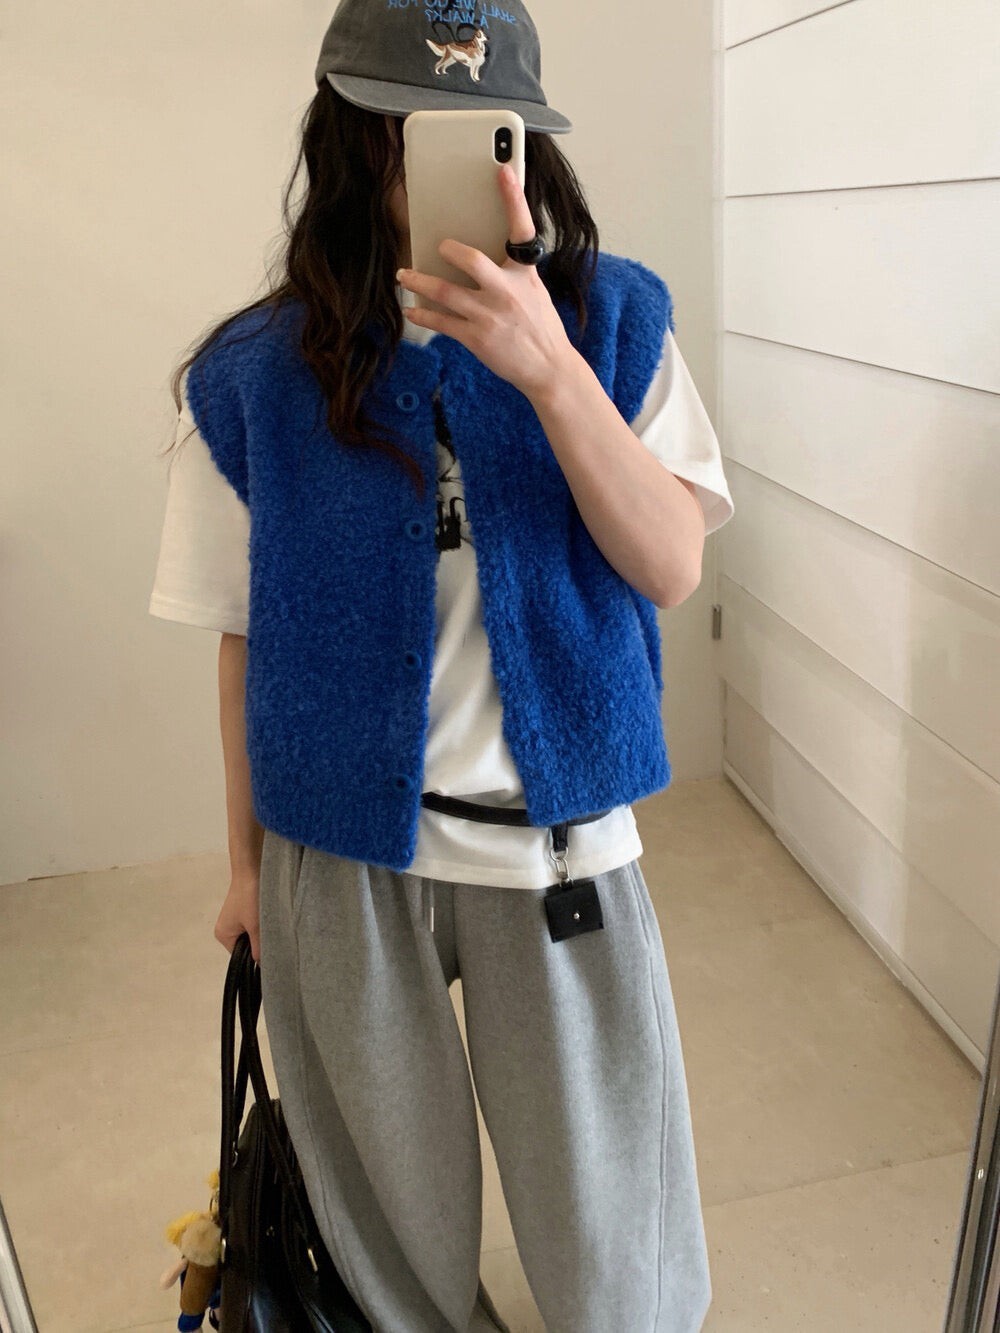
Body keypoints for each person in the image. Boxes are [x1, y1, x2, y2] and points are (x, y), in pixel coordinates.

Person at [149, 1, 734, 1329]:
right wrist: (244, 869)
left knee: (621, 1258)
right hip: (342, 864)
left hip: (559, 853)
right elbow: (246, 633)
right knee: (392, 1251)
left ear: (530, 143)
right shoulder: (254, 375)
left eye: (494, 133)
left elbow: (669, 565)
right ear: (354, 142)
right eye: (410, 131)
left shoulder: (615, 319)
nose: (457, 166)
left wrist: (551, 373)